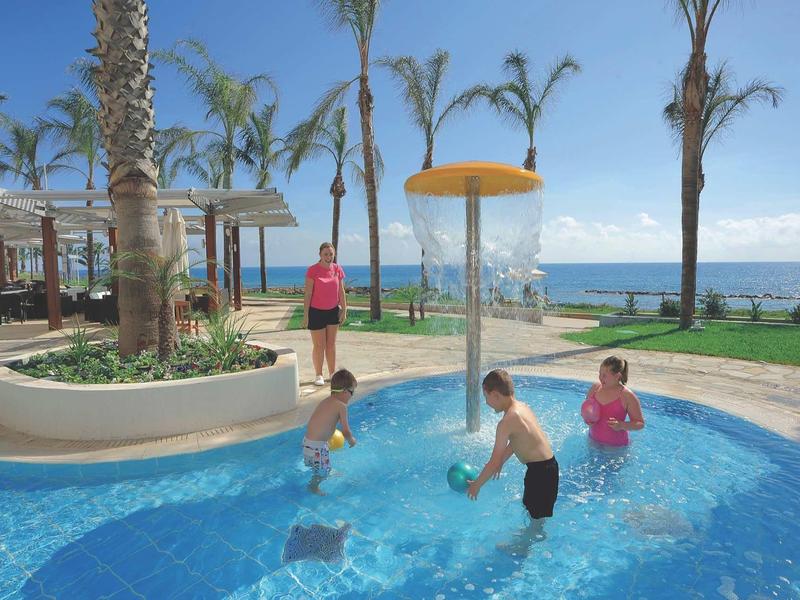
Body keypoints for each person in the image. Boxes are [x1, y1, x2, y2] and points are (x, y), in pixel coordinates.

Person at [467, 369, 559, 547]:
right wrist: (502, 459)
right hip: (546, 468)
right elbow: (518, 440)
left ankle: (524, 548)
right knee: (533, 510)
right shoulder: (522, 408)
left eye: (486, 398)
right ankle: (528, 538)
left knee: (536, 517)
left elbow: (493, 461)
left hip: (540, 473)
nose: (487, 403)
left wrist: (477, 484)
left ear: (495, 395)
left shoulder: (506, 422)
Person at [302, 369, 358, 495]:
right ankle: (313, 487)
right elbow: (345, 431)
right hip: (318, 448)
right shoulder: (341, 406)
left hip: (307, 443)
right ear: (344, 391)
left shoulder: (326, 401)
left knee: (318, 465)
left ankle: (324, 468)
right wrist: (351, 440)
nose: (352, 396)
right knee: (323, 472)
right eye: (352, 392)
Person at [302, 242, 347, 386]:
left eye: (331, 254)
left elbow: (341, 291)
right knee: (319, 345)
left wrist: (344, 310)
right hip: (316, 312)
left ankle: (332, 373)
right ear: (320, 255)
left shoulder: (337, 269)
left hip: (333, 311)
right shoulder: (312, 270)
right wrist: (306, 315)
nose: (329, 257)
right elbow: (308, 293)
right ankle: (318, 374)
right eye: (326, 254)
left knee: (331, 345)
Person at [584, 356, 645, 446]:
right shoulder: (595, 388)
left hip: (616, 448)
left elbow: (640, 423)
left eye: (604, 375)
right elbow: (586, 408)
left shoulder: (627, 396)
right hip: (593, 441)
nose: (600, 378)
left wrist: (621, 425)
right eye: (600, 374)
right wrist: (587, 418)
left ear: (617, 376)